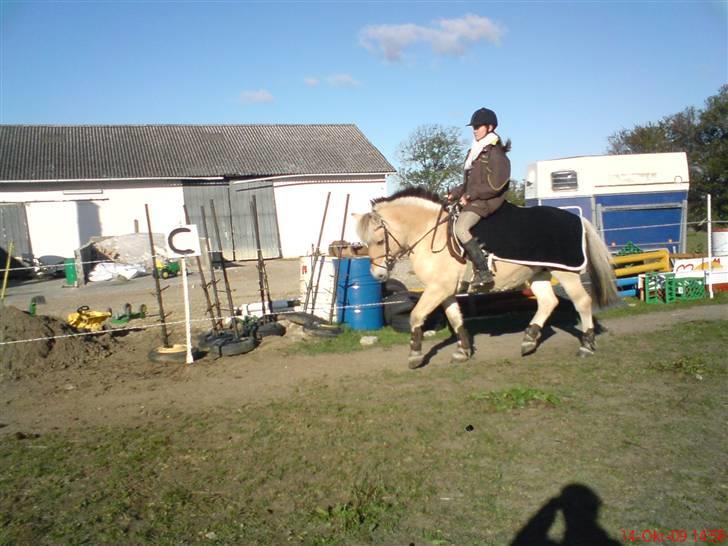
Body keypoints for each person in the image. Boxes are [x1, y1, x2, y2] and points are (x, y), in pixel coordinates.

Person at [448, 107, 511, 291]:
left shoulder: (496, 154)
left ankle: (484, 271)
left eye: (478, 126)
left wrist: (469, 196)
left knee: (460, 228)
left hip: (487, 201)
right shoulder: (476, 152)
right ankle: (465, 274)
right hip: (475, 199)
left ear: (490, 127)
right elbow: (469, 183)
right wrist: (455, 192)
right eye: (473, 127)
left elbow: (496, 185)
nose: (474, 130)